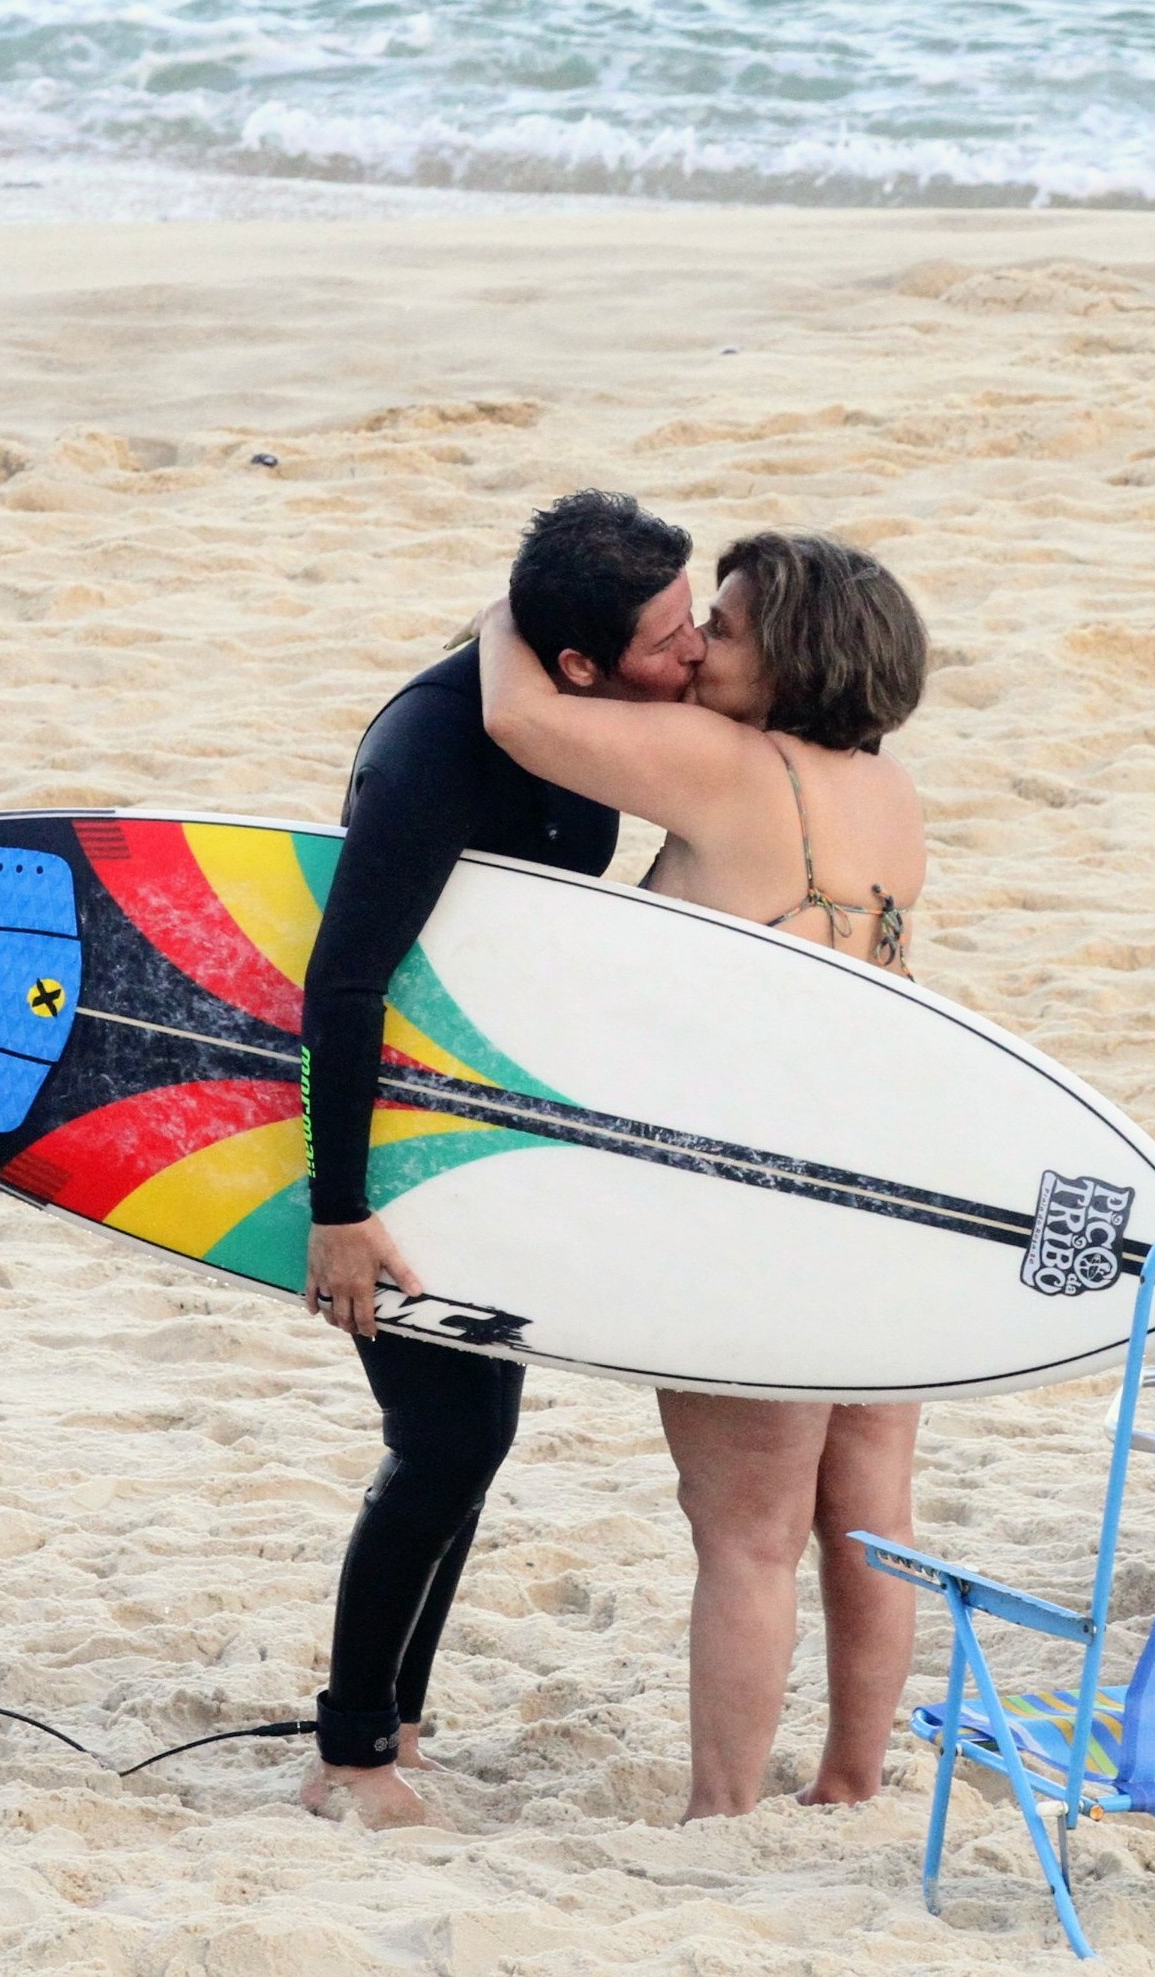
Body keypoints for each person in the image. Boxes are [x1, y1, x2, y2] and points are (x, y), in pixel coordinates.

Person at [479, 529, 929, 1821]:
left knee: (743, 1530)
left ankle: (721, 1813)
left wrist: (517, 602)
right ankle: (849, 1779)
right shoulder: (890, 795)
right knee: (867, 1508)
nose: (695, 649)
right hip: (886, 1182)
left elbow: (517, 713)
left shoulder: (727, 763)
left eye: (720, 628)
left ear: (788, 656)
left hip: (758, 1201)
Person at [300, 490, 702, 1829]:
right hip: (390, 1128)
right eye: (669, 635)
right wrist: (338, 1210)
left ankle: (397, 1718)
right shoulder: (433, 759)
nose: (692, 652)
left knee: (474, 1429)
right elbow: (344, 979)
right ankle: (348, 1755)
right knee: (442, 1432)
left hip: (486, 1116)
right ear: (577, 661)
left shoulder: (589, 702)